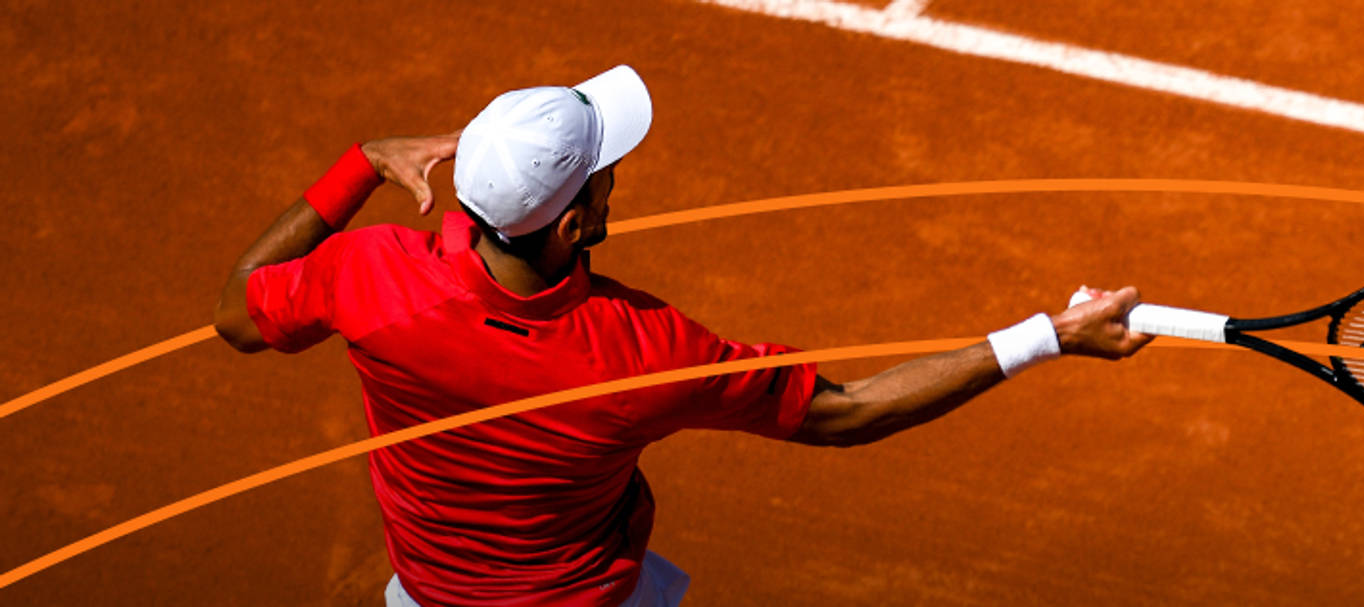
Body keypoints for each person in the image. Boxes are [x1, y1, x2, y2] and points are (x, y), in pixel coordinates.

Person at [212, 65, 1153, 607]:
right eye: (603, 173)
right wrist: (1051, 336)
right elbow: (845, 412)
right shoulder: (641, 351)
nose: (614, 175)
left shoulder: (370, 273)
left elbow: (236, 310)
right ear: (576, 222)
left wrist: (363, 162)